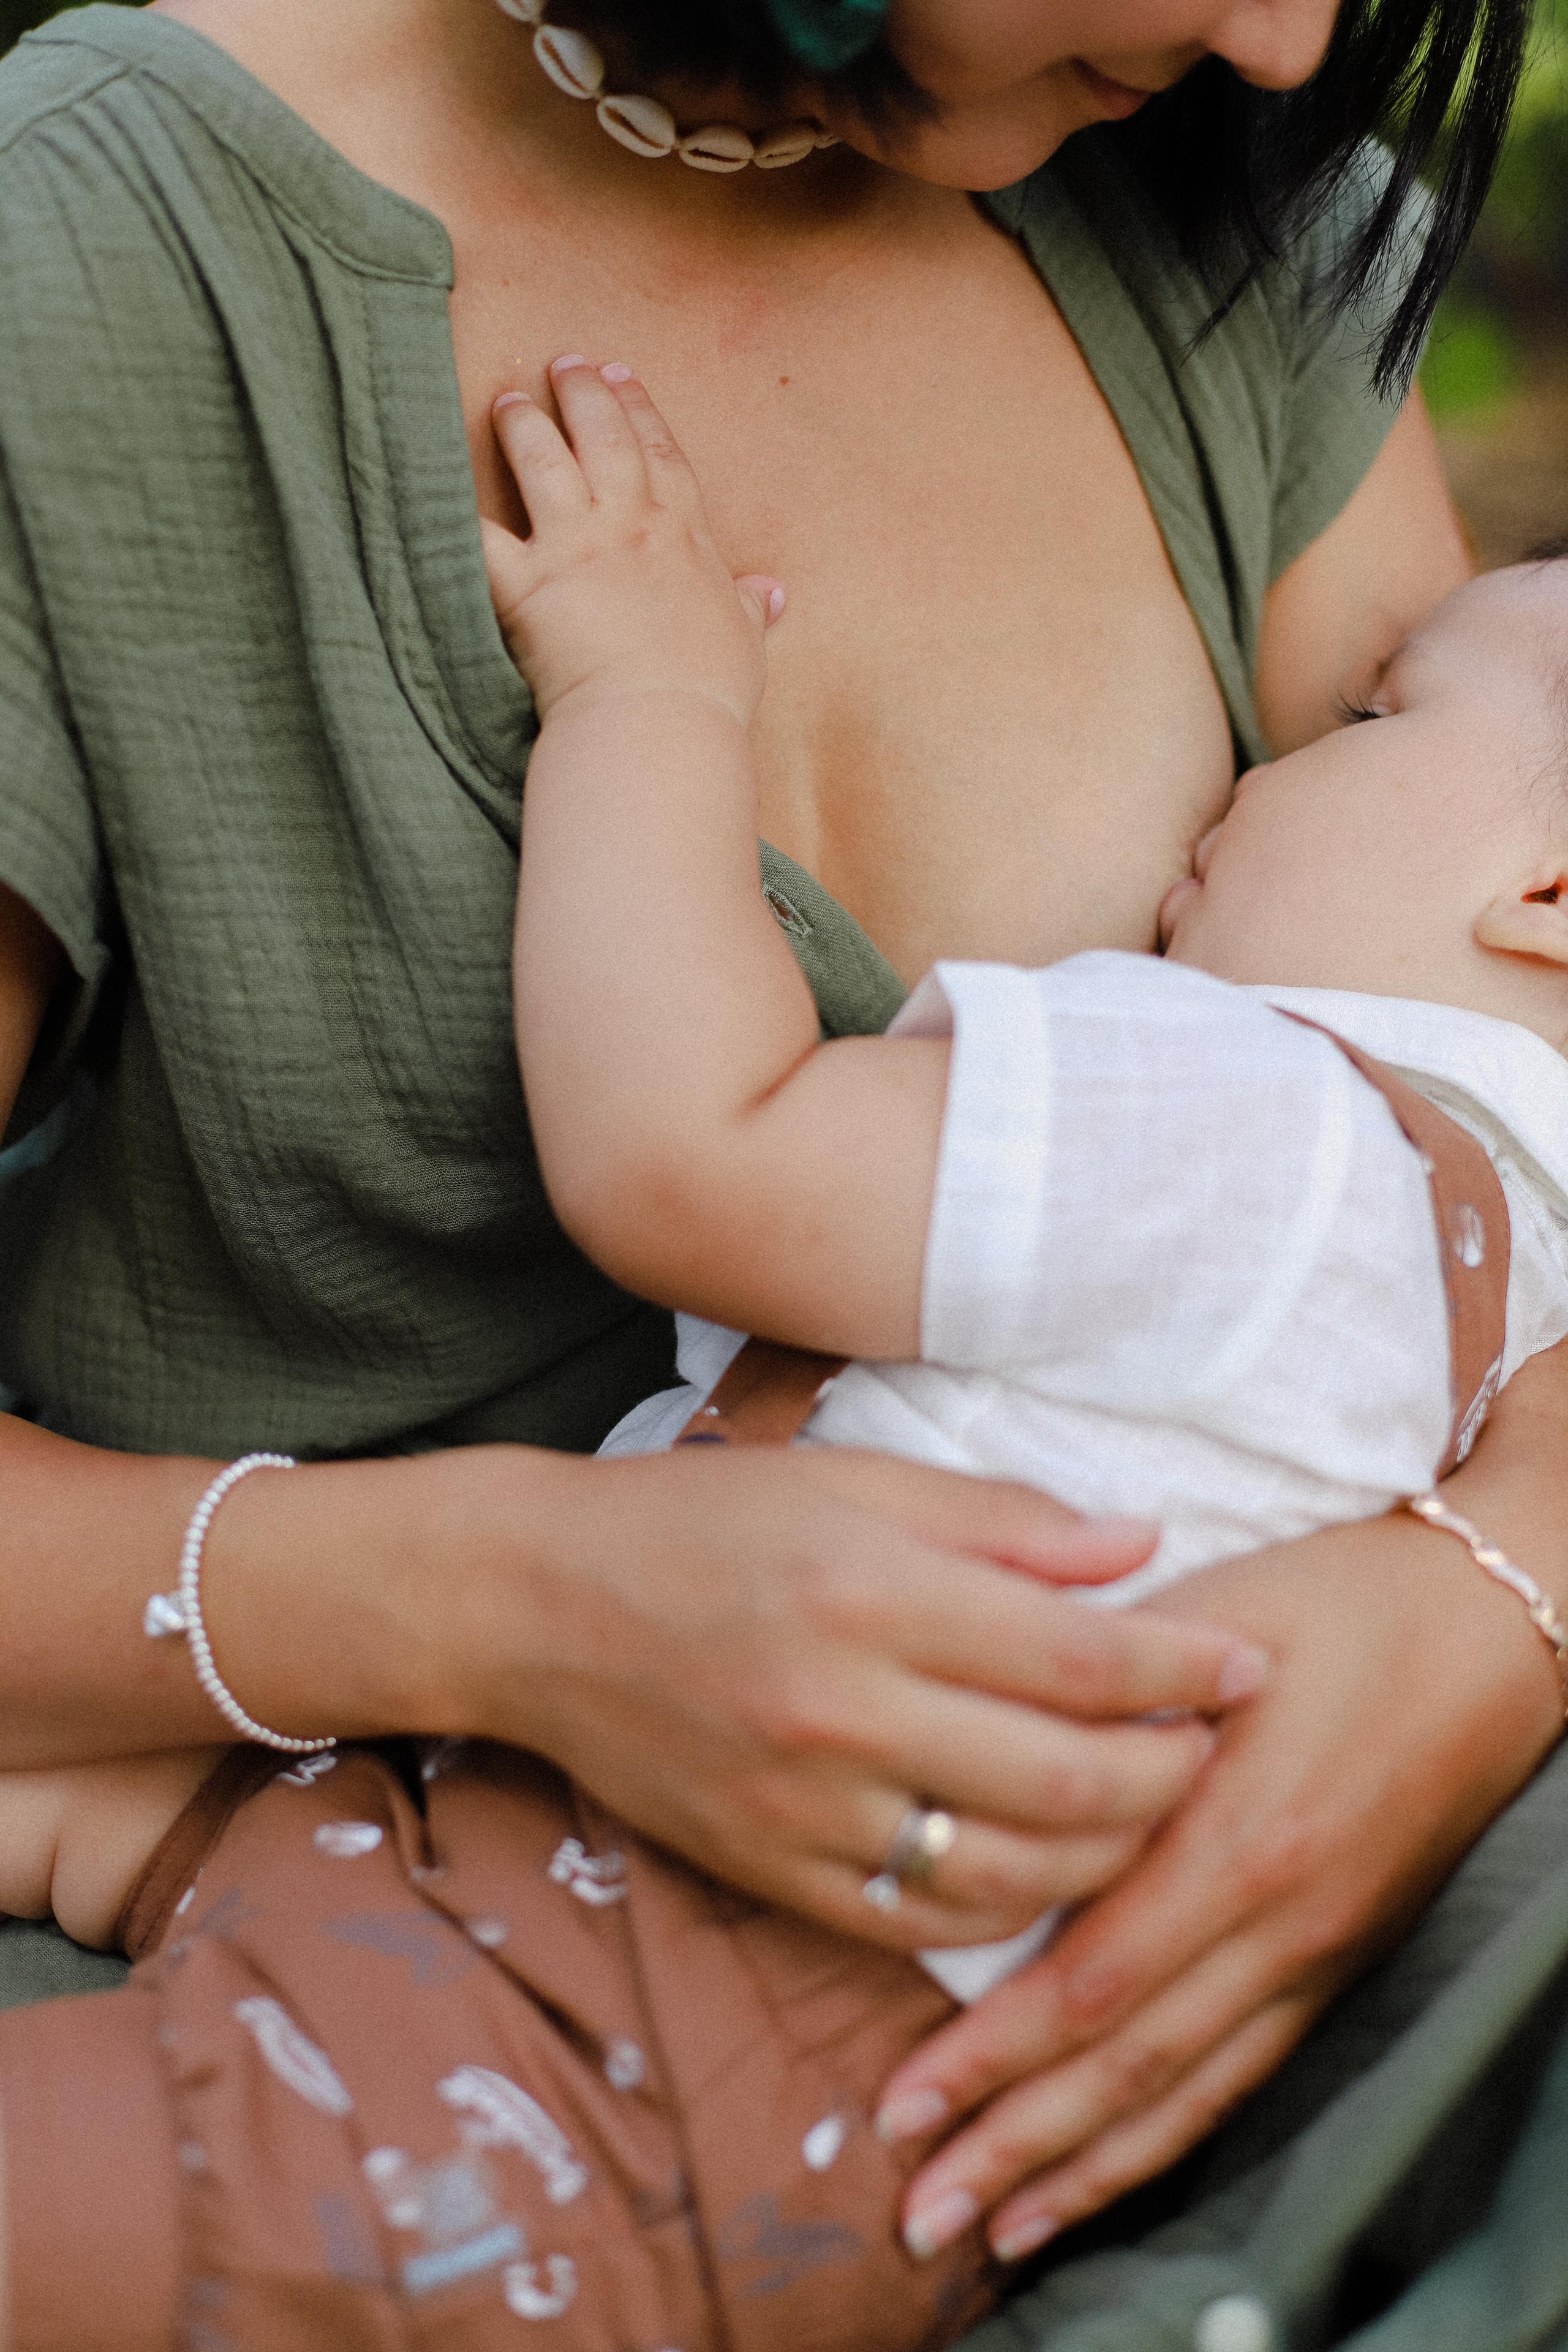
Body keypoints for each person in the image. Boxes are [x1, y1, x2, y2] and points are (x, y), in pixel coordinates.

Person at [0, 0, 1563, 2342]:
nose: (1288, 36)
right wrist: (516, 1595)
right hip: (367, 2002)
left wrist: (1499, 1588)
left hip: (1108, 2060)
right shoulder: (81, 273)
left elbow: (1526, 1101)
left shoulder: (1240, 222)